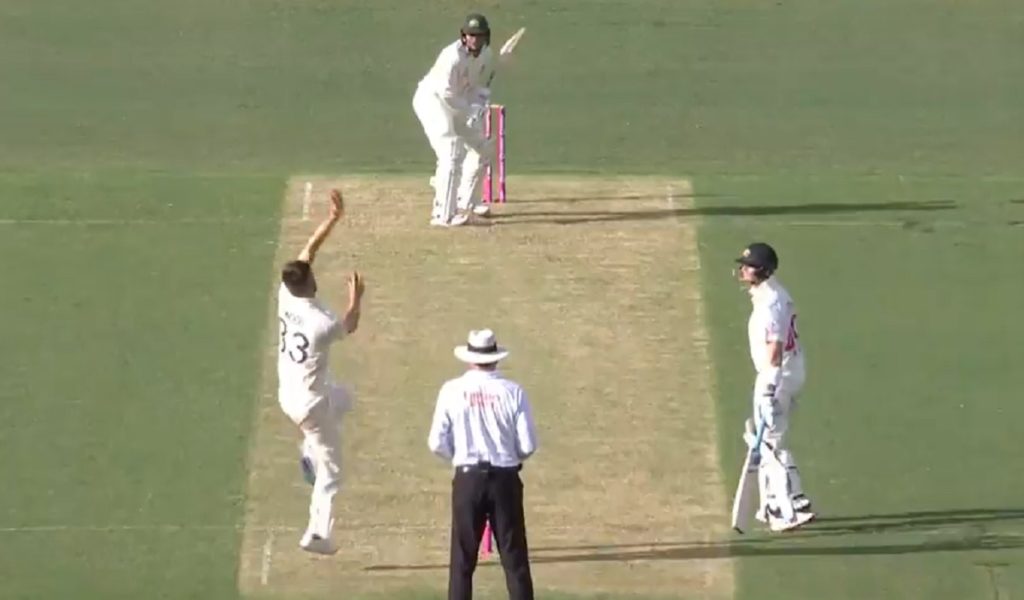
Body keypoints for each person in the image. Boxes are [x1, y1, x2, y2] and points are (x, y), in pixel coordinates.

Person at [277, 188, 366, 554]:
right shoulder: (321, 323)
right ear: (309, 284)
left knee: (344, 399)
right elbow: (350, 325)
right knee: (333, 472)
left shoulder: (286, 293)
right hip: (309, 405)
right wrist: (356, 297)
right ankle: (318, 534)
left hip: (291, 392)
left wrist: (332, 218)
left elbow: (308, 251)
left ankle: (308, 450)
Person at [428, 329, 537, 600]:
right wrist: (510, 456)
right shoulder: (513, 392)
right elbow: (528, 445)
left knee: (462, 562)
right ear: (496, 358)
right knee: (515, 559)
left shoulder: (452, 390)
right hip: (505, 479)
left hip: (468, 479)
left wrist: (459, 457)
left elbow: (436, 442)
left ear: (469, 358)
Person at [735, 242, 815, 533]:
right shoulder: (773, 293)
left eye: (749, 266)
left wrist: (769, 390)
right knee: (772, 435)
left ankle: (780, 508)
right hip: (790, 371)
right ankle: (796, 495)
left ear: (763, 270)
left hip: (777, 375)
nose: (743, 270)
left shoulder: (770, 303)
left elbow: (775, 350)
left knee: (769, 442)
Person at [413, 13, 499, 227]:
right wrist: (470, 110)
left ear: (486, 36)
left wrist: (480, 99)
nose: (474, 40)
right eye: (471, 35)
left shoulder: (486, 55)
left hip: (458, 101)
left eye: (479, 35)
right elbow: (446, 93)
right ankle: (443, 214)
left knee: (482, 147)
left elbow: (473, 86)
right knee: (451, 150)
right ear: (463, 36)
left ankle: (466, 200)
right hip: (432, 101)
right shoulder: (451, 56)